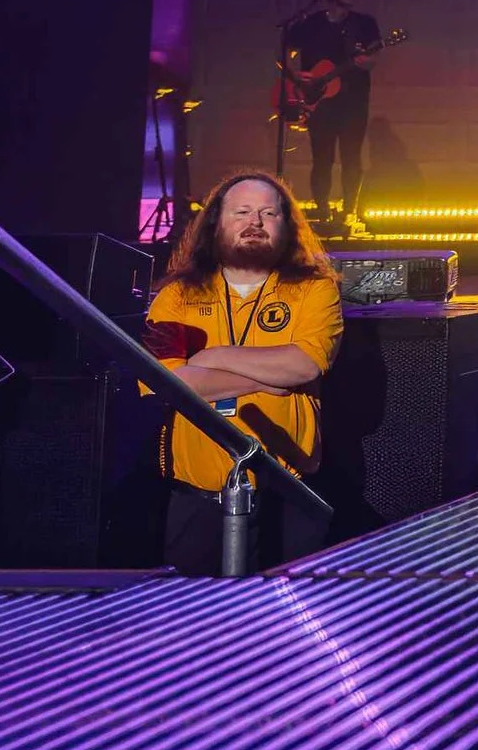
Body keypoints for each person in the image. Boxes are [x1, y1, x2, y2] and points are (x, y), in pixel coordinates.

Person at [142, 170, 343, 574]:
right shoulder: (175, 296)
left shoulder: (315, 290)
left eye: (268, 213)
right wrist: (268, 379)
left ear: (287, 226)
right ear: (216, 223)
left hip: (287, 494)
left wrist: (210, 356)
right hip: (198, 499)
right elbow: (166, 384)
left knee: (286, 612)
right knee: (193, 611)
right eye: (242, 212)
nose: (255, 222)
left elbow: (304, 364)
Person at [281, 0, 385, 231]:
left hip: (354, 101)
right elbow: (286, 51)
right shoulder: (310, 24)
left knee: (352, 158)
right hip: (320, 101)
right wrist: (296, 76)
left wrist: (364, 62)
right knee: (322, 158)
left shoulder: (364, 24)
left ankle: (349, 210)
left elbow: (373, 60)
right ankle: (322, 210)